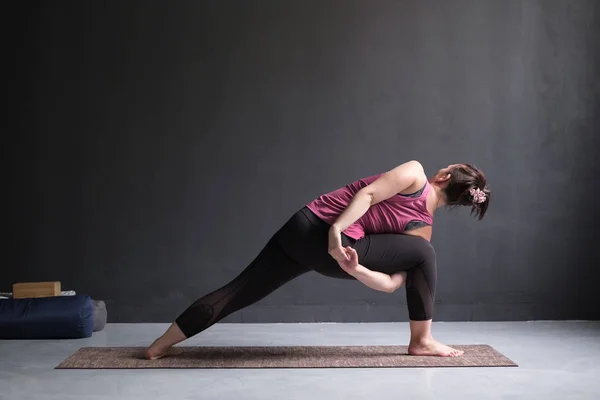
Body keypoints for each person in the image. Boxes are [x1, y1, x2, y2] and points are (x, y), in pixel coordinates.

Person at [145, 160, 491, 359]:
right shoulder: (421, 233)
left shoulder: (416, 172)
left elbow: (368, 194)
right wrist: (353, 261)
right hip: (332, 246)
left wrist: (347, 251)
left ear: (444, 176)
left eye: (445, 166)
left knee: (238, 290)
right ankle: (421, 340)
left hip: (305, 227)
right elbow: (389, 284)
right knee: (423, 255)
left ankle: (159, 346)